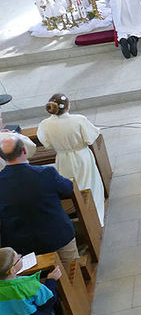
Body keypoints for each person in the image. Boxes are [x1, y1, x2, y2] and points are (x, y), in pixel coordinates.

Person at [0, 135, 78, 263]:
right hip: (57, 235)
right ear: (24, 151)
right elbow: (68, 188)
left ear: (1, 157)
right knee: (72, 268)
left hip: (22, 246)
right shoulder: (46, 173)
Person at [37, 93, 106, 223]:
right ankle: (94, 215)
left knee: (71, 187)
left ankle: (77, 212)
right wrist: (97, 130)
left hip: (62, 158)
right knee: (90, 184)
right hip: (81, 157)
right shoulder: (79, 120)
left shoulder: (45, 124)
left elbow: (46, 144)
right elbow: (90, 138)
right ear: (68, 107)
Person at [0, 248, 64, 315]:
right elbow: (49, 299)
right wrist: (51, 280)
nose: (20, 256)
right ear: (12, 270)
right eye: (18, 257)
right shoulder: (27, 284)